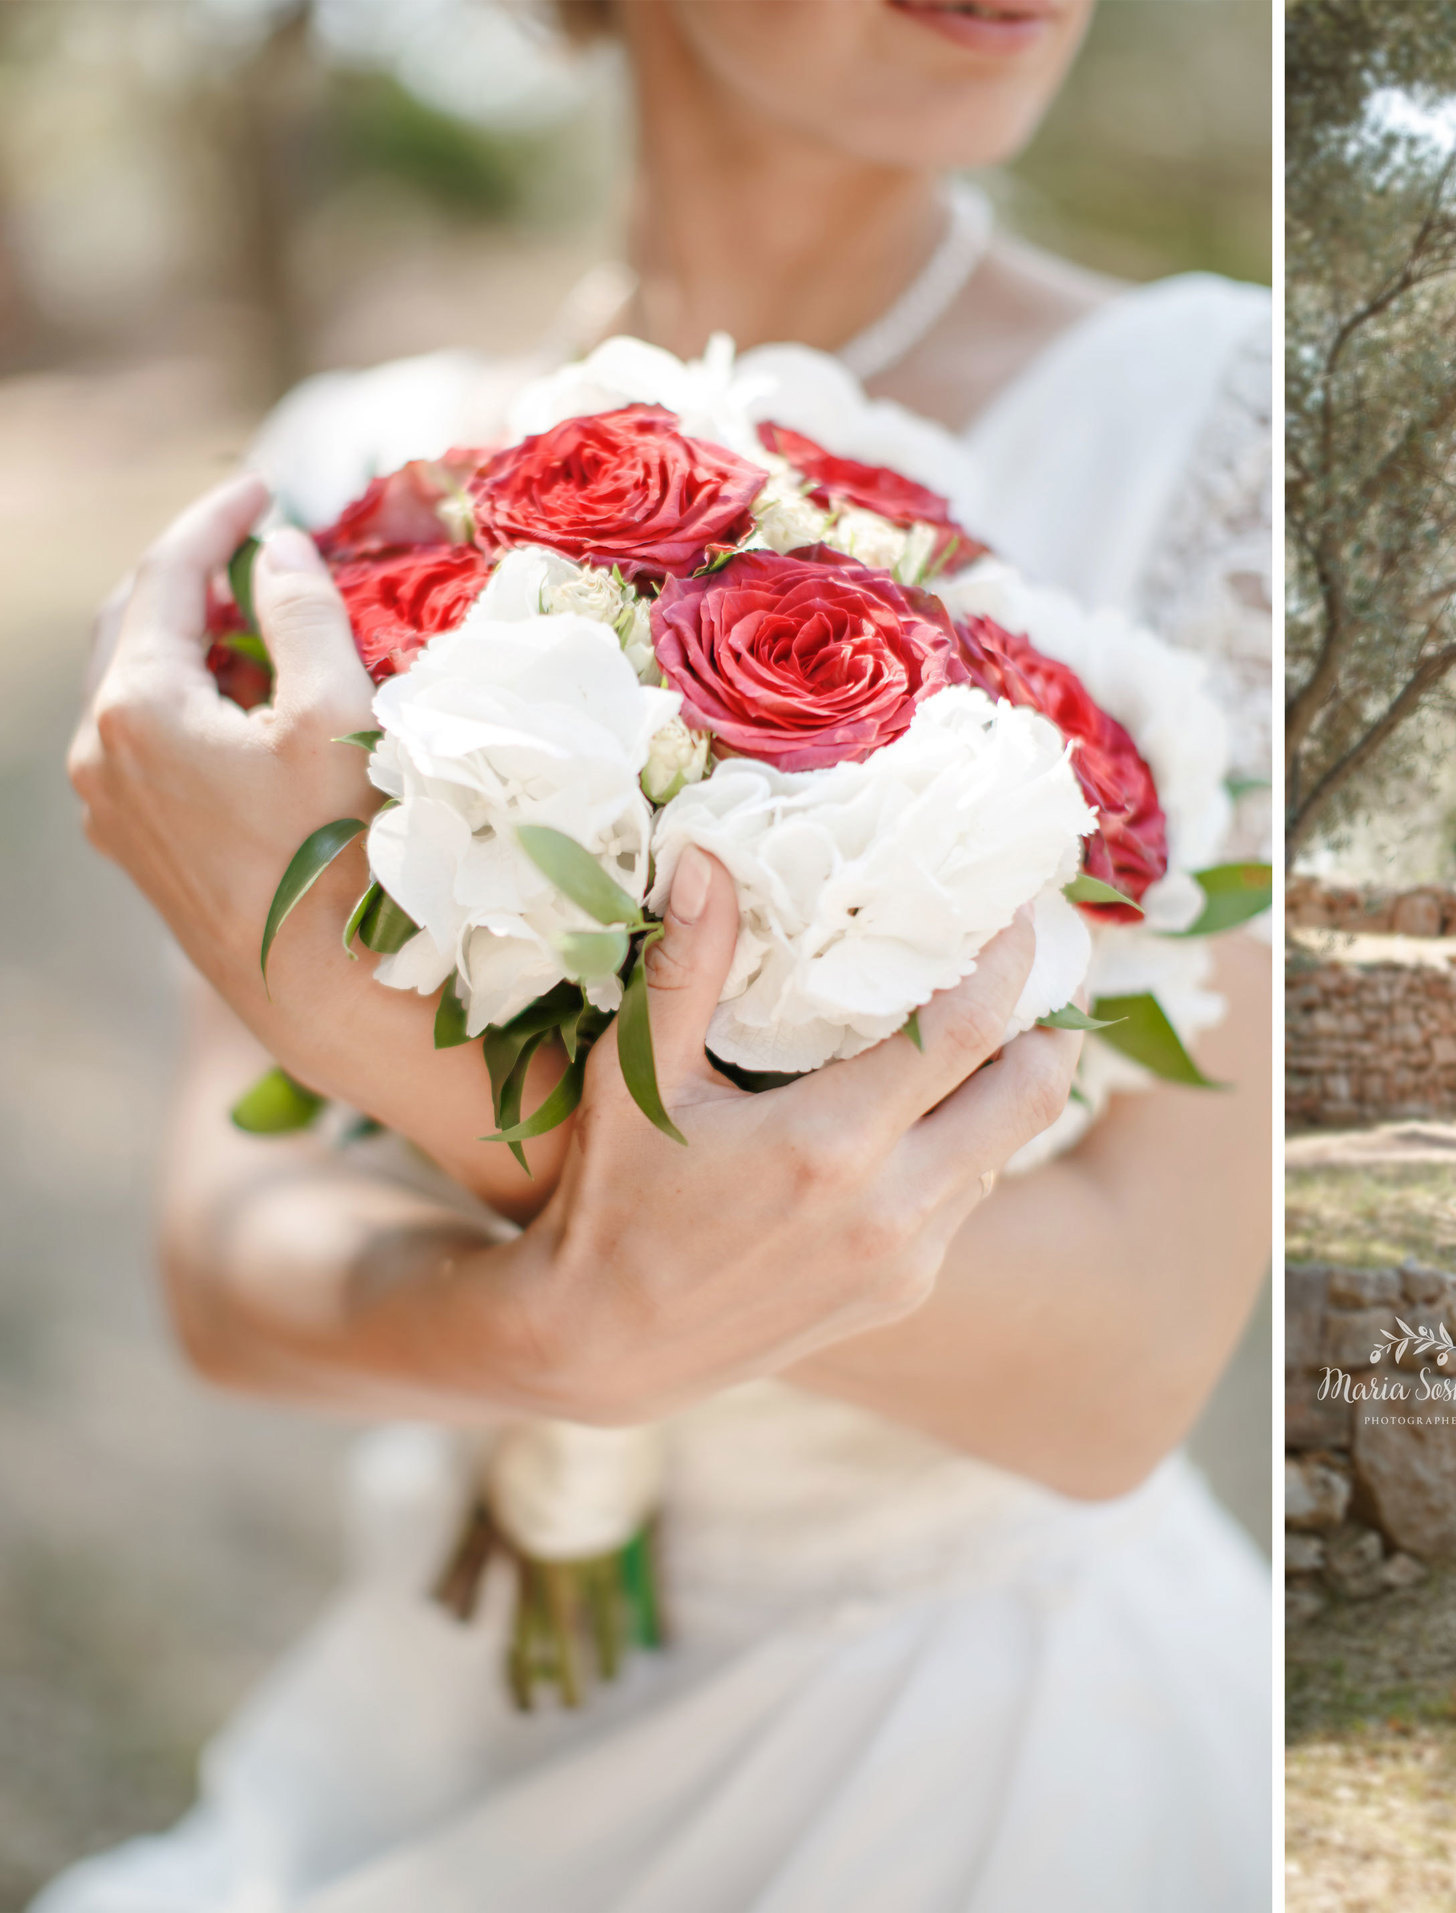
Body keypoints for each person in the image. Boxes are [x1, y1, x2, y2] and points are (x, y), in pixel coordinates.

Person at [43, 0, 1273, 1904]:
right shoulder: (354, 468)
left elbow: (1118, 1369)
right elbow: (227, 1266)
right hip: (461, 1704)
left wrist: (374, 1032)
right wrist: (545, 1338)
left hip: (967, 1759)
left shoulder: (1230, 428)